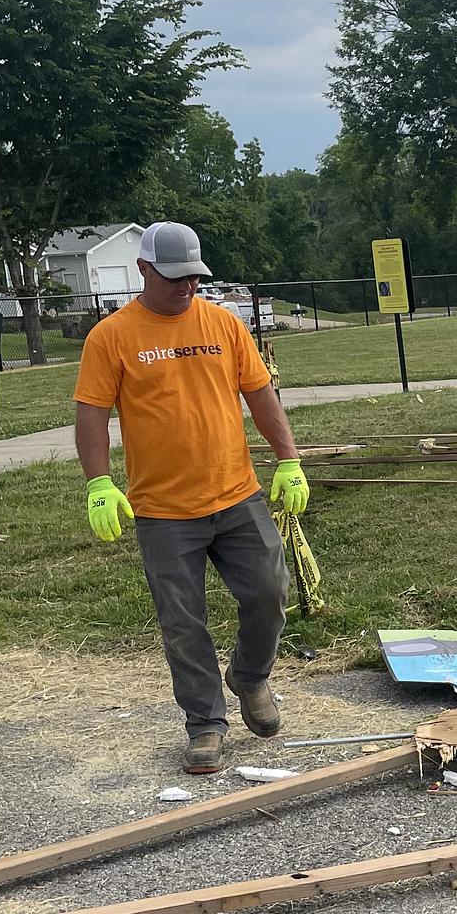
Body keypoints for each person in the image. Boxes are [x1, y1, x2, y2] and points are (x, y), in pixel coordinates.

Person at [73, 222, 310, 774]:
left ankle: (250, 678)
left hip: (236, 494)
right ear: (144, 271)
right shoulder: (112, 336)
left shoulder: (223, 323)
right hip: (163, 512)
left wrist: (290, 459)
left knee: (270, 593)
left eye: (195, 279)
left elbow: (260, 393)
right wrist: (99, 483)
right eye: (175, 278)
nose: (187, 288)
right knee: (183, 622)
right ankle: (205, 724)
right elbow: (92, 413)